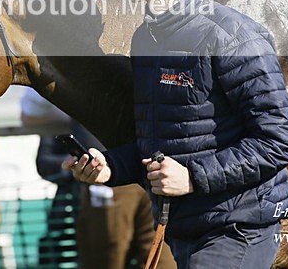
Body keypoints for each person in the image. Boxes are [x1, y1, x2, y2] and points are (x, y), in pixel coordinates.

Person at [64, 0, 288, 269]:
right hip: (186, 229)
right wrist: (110, 167)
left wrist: (192, 178)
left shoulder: (232, 35)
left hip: (238, 230)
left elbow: (280, 138)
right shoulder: (145, 39)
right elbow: (161, 146)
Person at [20, 87, 176, 269]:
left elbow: (30, 112)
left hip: (128, 174)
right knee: (142, 254)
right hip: (139, 173)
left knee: (112, 255)